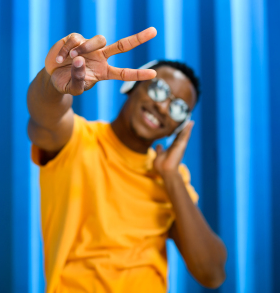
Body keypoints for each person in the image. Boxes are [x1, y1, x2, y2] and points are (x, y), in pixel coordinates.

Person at [27, 28, 227, 292]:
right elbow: (44, 117)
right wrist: (52, 84)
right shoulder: (77, 139)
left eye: (178, 108)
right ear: (133, 84)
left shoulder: (172, 179)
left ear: (178, 128)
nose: (163, 107)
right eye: (159, 90)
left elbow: (211, 273)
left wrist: (170, 175)